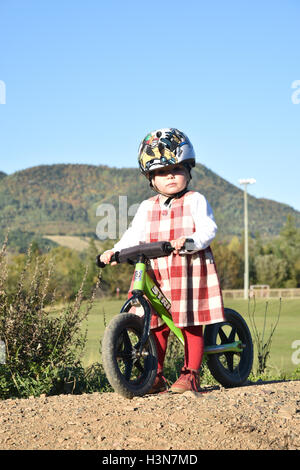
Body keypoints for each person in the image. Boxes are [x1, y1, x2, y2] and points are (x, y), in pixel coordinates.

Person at [100, 128, 225, 393]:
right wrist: (115, 251)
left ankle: (191, 373)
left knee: (189, 320)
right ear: (150, 178)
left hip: (188, 270)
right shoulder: (147, 207)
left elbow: (207, 229)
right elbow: (134, 235)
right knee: (153, 319)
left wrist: (190, 242)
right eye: (160, 171)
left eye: (177, 168)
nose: (170, 175)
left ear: (188, 170)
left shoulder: (195, 201)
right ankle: (154, 375)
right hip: (158, 270)